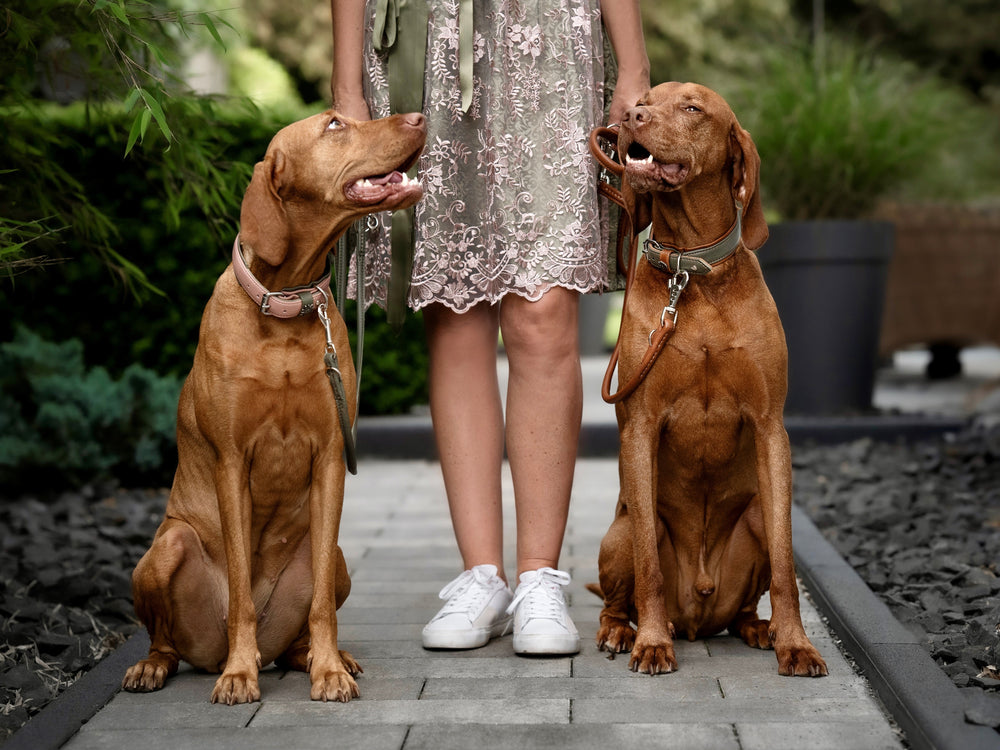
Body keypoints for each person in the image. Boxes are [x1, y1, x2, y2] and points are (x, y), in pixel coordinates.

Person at [331, 0, 649, 655]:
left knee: (544, 313)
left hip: (551, 39)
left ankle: (539, 576)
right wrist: (347, 87)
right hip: (430, 41)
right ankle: (482, 576)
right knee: (453, 309)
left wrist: (634, 68)